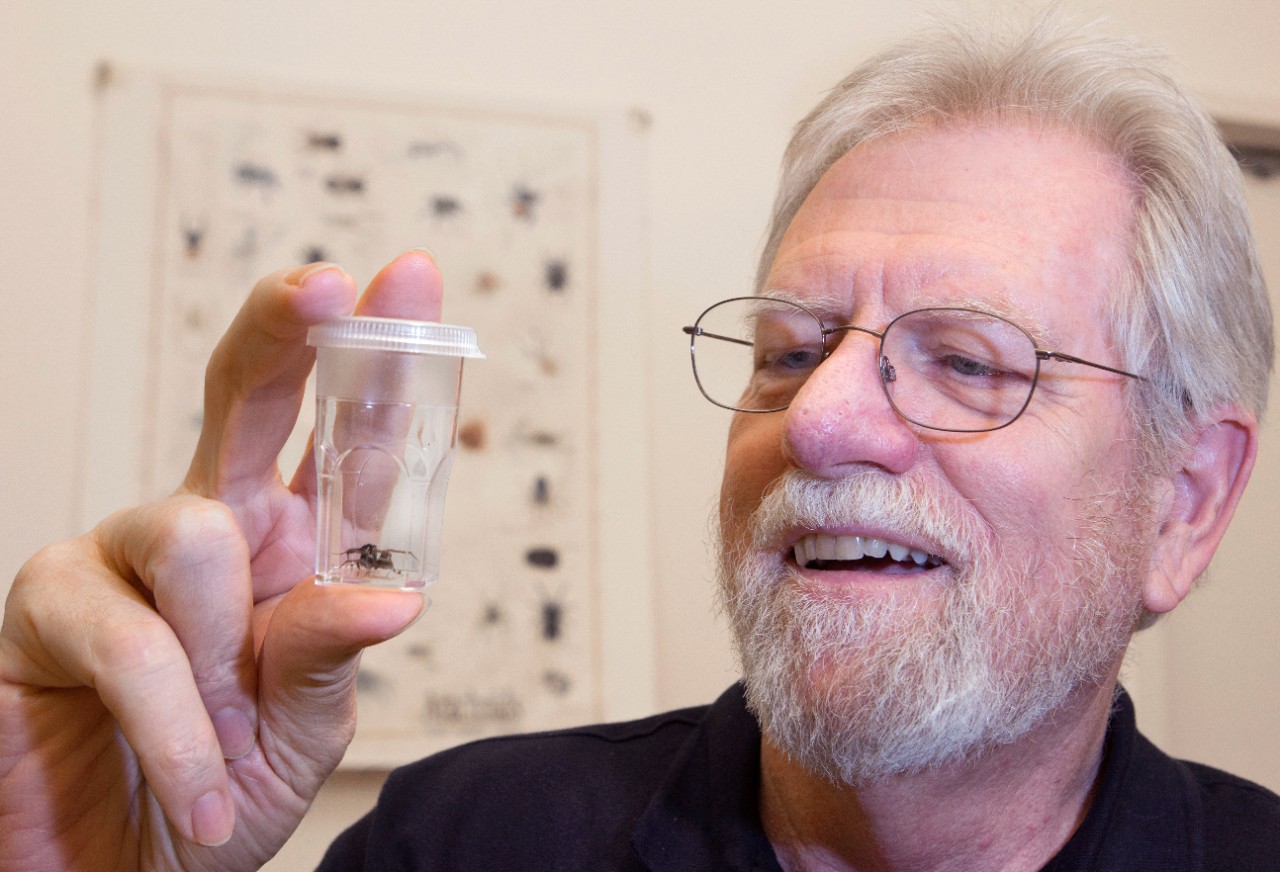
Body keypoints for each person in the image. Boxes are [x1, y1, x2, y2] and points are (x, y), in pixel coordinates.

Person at [3, 16, 1279, 872]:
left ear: (1183, 501)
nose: (817, 421)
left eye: (964, 360)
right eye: (787, 348)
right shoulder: (463, 842)